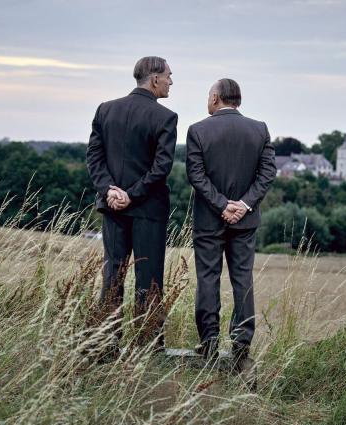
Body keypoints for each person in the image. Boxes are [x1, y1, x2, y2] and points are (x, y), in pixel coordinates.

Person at [86, 56, 177, 352]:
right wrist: (132, 195)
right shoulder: (166, 117)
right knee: (149, 279)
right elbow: (162, 167)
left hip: (112, 208)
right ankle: (147, 348)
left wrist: (109, 191)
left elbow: (94, 157)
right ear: (155, 79)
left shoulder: (106, 109)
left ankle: (104, 344)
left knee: (113, 275)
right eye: (169, 76)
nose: (171, 82)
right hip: (148, 210)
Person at [185, 78, 276, 371]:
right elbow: (267, 173)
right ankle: (241, 346)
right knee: (243, 280)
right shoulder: (259, 129)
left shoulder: (198, 130)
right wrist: (244, 205)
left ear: (215, 98)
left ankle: (209, 343)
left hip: (209, 221)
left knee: (208, 279)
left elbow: (196, 175)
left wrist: (222, 205)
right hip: (245, 221)